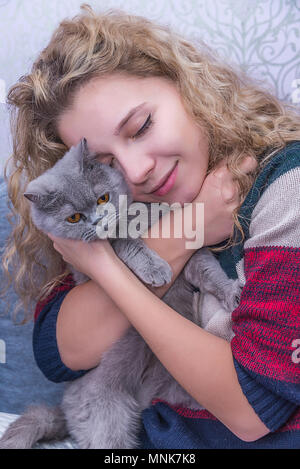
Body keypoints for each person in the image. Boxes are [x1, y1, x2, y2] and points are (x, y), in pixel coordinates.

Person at [2, 4, 299, 449]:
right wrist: (186, 232)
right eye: (104, 163)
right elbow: (61, 351)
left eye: (141, 127)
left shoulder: (286, 186)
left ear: (186, 85)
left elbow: (252, 410)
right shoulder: (121, 210)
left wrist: (105, 269)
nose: (136, 171)